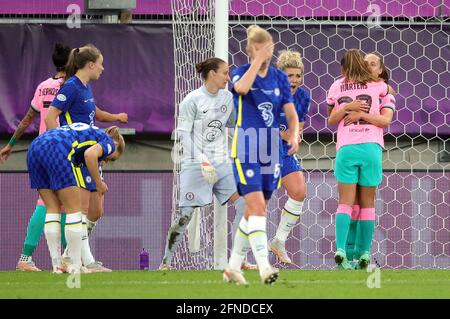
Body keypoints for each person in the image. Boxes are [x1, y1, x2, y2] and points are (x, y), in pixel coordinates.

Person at [224, 25, 299, 285]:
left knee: (257, 209)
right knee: (255, 207)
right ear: (249, 49)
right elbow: (242, 89)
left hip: (271, 149)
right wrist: (256, 60)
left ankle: (233, 266)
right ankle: (264, 266)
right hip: (246, 146)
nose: (264, 51)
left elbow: (290, 113)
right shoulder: (240, 72)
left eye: (267, 47)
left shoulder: (279, 78)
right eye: (258, 48)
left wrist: (295, 132)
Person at [45, 44, 128, 272]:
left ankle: (70, 256)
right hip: (76, 155)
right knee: (79, 210)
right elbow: (51, 116)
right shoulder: (70, 86)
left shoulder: (85, 87)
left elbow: (94, 112)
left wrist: (116, 117)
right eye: (101, 64)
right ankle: (81, 260)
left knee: (95, 210)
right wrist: (59, 145)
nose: (103, 68)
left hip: (88, 151)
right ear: (90, 64)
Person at [159, 57, 247, 271]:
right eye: (225, 73)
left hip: (221, 163)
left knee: (244, 205)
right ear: (211, 74)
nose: (228, 77)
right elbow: (183, 135)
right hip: (194, 164)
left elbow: (235, 123)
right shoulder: (192, 100)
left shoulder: (227, 98)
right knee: (185, 216)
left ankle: (237, 260)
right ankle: (166, 261)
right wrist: (202, 161)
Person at [0, 43, 71, 271]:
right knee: (65, 203)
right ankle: (65, 259)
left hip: (40, 149)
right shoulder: (70, 87)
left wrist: (10, 145)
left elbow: (28, 118)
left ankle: (27, 257)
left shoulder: (43, 86)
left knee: (49, 203)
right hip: (60, 150)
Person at [326, 48, 395, 270]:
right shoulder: (380, 88)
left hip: (346, 147)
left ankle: (343, 251)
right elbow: (386, 116)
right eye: (366, 63)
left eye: (374, 63)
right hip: (370, 148)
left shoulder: (337, 86)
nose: (369, 66)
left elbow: (330, 118)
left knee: (346, 203)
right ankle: (363, 253)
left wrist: (353, 111)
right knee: (366, 204)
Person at [27, 123, 125, 273]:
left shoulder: (90, 134)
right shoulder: (109, 142)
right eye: (112, 159)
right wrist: (99, 183)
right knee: (74, 210)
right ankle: (74, 265)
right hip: (58, 148)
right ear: (116, 145)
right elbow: (90, 155)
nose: (105, 161)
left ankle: (57, 265)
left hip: (35, 146)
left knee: (52, 208)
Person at [266, 49, 310, 264]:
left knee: (299, 191)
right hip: (262, 149)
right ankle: (242, 256)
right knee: (256, 204)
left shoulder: (303, 96)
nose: (294, 80)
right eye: (289, 75)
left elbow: (298, 126)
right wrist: (288, 135)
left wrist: (296, 138)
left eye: (298, 75)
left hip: (283, 151)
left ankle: (279, 241)